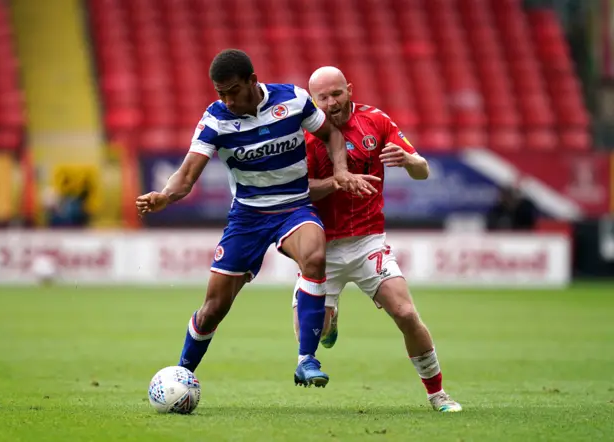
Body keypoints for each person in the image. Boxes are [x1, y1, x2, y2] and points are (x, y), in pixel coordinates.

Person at [136, 49, 377, 388]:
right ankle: (181, 375)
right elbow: (187, 174)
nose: (227, 99)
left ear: (252, 80)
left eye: (232, 90)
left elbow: (332, 135)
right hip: (248, 217)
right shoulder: (216, 119)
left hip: (295, 206)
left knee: (315, 256)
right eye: (220, 92)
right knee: (213, 308)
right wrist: (165, 196)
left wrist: (340, 171)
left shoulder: (293, 99)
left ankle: (306, 360)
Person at [290, 66, 463, 412]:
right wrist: (338, 182)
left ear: (349, 90)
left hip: (368, 240)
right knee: (313, 333)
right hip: (320, 247)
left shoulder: (375, 121)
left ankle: (437, 394)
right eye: (322, 97)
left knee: (406, 313)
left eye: (336, 93)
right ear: (312, 99)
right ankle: (329, 321)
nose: (330, 102)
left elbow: (422, 170)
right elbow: (297, 192)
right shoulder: (302, 135)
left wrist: (409, 159)